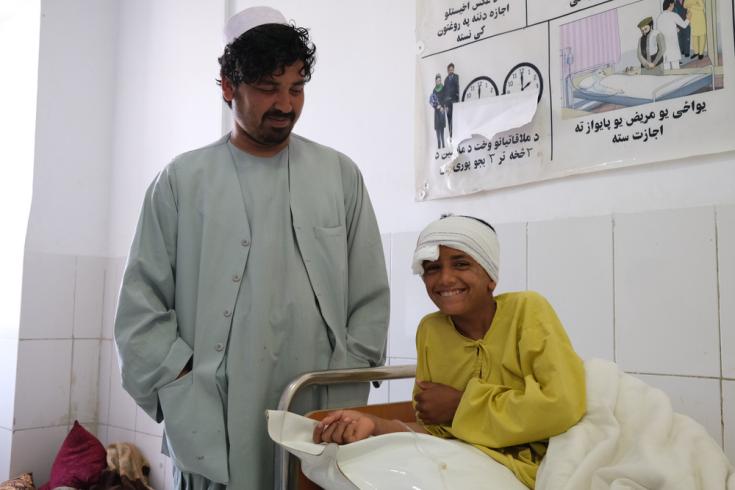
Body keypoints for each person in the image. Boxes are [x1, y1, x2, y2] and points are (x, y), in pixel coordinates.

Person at [114, 6, 390, 490]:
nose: (285, 103)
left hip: (317, 404)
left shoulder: (340, 176)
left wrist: (350, 377)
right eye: (268, 87)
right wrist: (180, 378)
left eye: (296, 87)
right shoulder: (181, 182)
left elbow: (370, 298)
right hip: (212, 410)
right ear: (227, 86)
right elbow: (140, 310)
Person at [313, 215, 587, 489]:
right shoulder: (431, 330)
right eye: (432, 268)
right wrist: (375, 425)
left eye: (461, 264)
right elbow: (437, 432)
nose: (445, 278)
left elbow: (562, 407)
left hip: (536, 468)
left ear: (491, 276)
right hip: (461, 461)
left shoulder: (527, 310)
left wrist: (460, 405)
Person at [656, 0, 691, 70]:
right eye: (673, 5)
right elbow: (684, 25)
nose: (674, 6)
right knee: (676, 68)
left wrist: (674, 29)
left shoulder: (659, 17)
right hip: (673, 47)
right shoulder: (673, 15)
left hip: (664, 48)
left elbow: (660, 31)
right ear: (670, 5)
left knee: (666, 69)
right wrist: (688, 19)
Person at [443, 63, 460, 141]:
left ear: (453, 69)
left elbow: (457, 88)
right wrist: (445, 103)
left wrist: (456, 99)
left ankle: (455, 133)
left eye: (452, 69)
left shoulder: (456, 77)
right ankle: (451, 135)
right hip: (448, 102)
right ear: (447, 70)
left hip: (454, 101)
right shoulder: (446, 79)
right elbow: (445, 91)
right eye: (449, 70)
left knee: (455, 118)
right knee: (449, 118)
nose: (451, 71)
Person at [429, 74, 446, 149]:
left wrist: (442, 106)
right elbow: (433, 101)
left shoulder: (443, 88)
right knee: (437, 128)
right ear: (435, 81)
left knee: (442, 127)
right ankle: (439, 144)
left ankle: (443, 144)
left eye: (439, 80)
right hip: (437, 111)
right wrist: (436, 106)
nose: (438, 82)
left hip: (442, 110)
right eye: (437, 81)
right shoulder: (434, 90)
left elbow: (445, 99)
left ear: (440, 81)